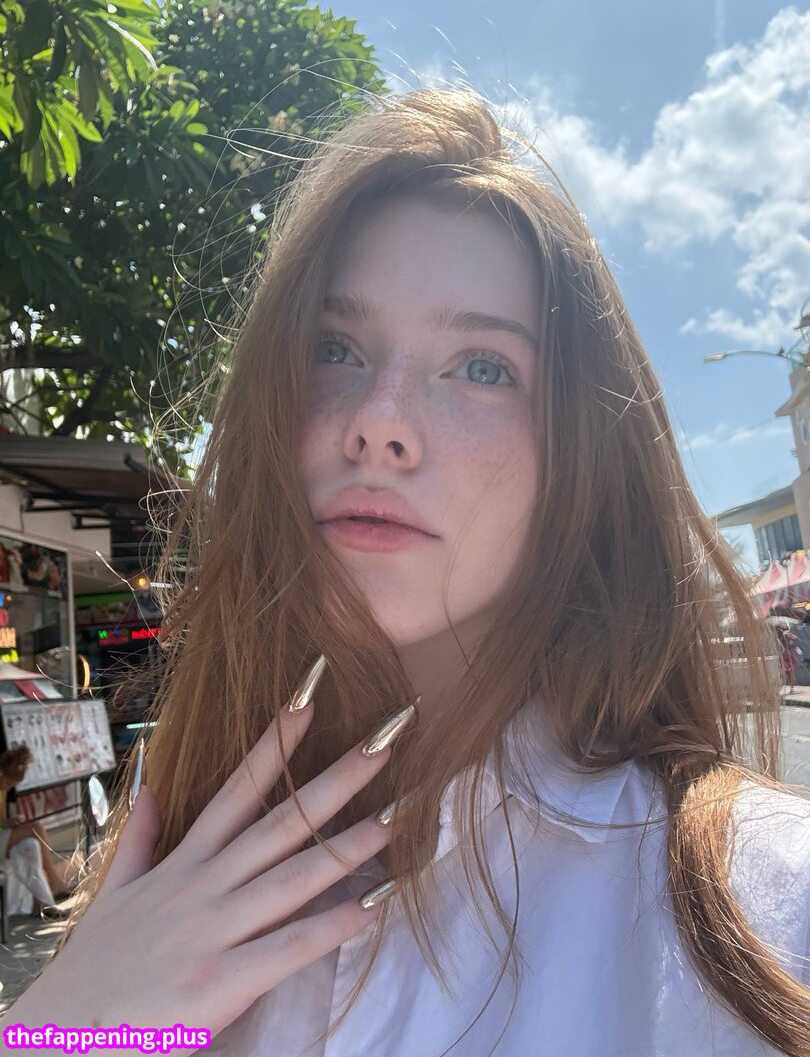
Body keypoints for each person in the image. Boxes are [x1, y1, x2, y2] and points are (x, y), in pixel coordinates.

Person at [3, 86, 809, 1056]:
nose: (378, 422)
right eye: (334, 348)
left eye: (482, 367)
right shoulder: (172, 846)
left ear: (581, 460)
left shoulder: (765, 910)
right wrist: (57, 1030)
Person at [0, 745, 73, 918]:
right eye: (8, 783)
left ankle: (42, 903)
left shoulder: (2, 790)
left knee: (30, 845)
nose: (8, 788)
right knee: (37, 828)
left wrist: (11, 822)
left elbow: (2, 822)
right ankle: (54, 881)